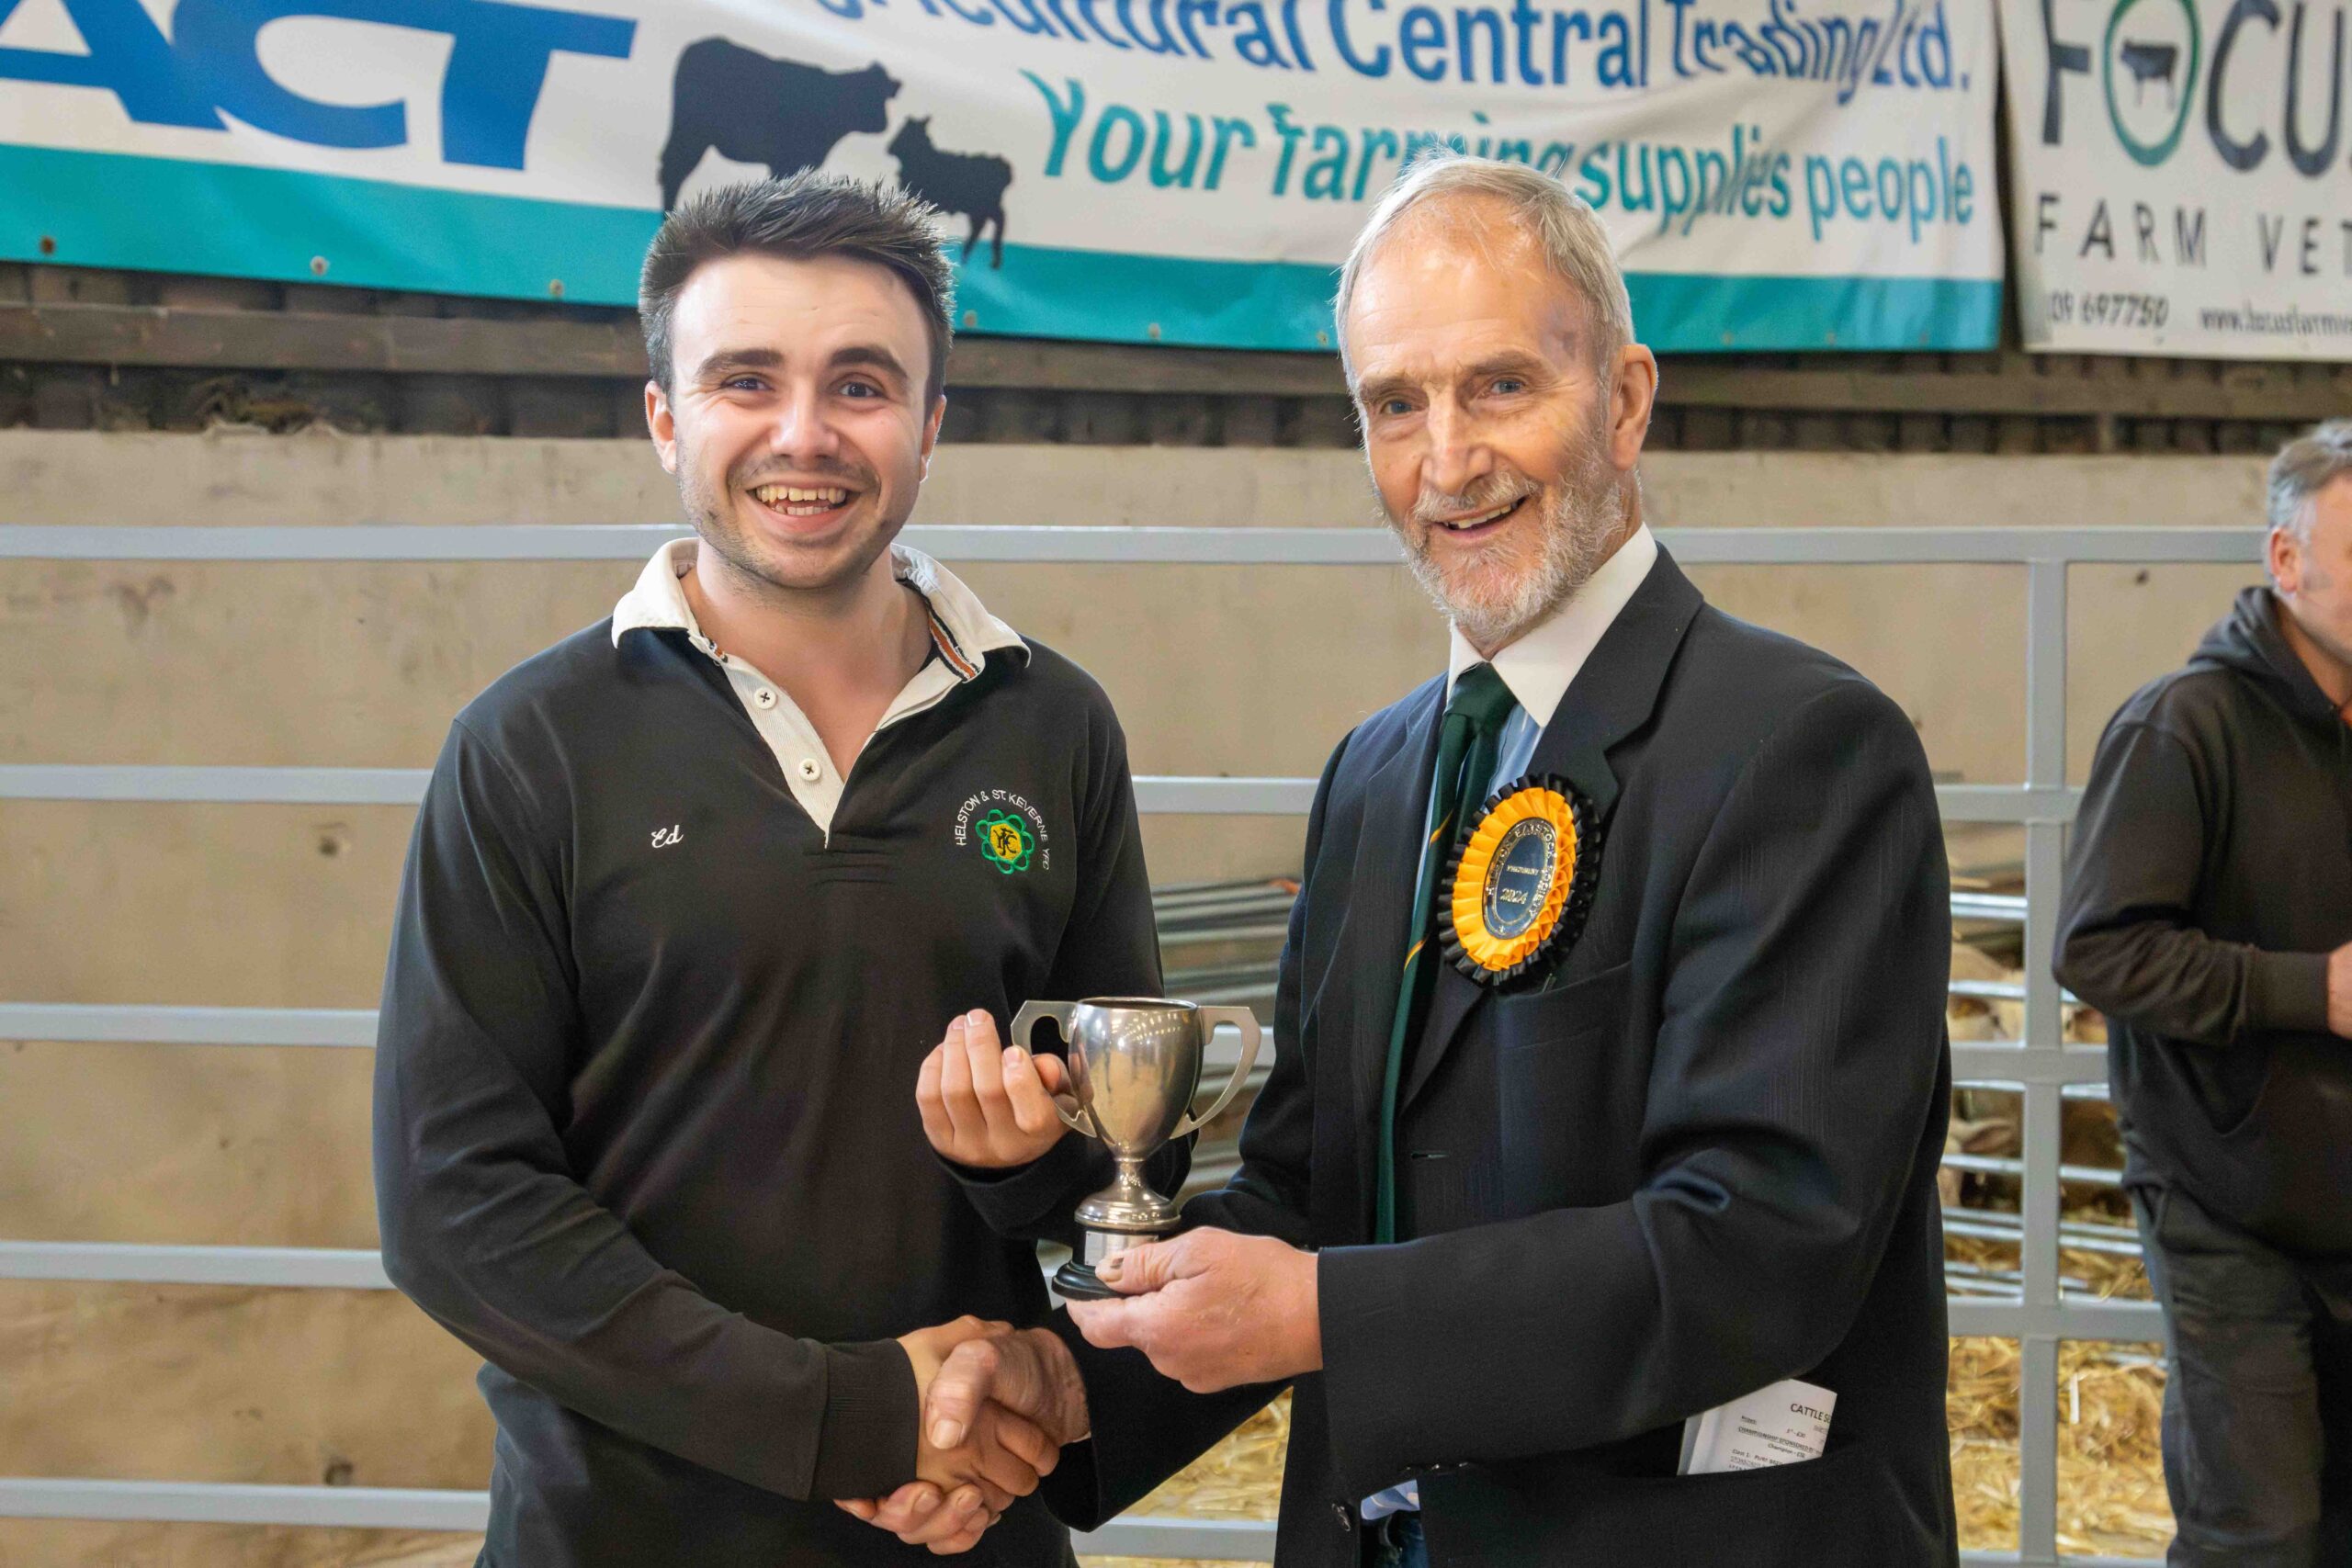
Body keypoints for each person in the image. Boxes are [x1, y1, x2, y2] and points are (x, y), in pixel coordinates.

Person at [851, 152, 1959, 1565]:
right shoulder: (1377, 777)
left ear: (1624, 401)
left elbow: (1757, 1244)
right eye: (1395, 404)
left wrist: (1320, 1313)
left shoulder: (1800, 748)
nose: (1447, 460)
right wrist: (1075, 1385)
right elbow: (1305, 1197)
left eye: (1500, 385)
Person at [370, 172, 1171, 1566]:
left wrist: (1025, 1174)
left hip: (969, 1524)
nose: (805, 433)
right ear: (665, 419)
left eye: (860, 385)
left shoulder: (1055, 726)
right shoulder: (529, 745)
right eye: (746, 380)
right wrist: (850, 1416)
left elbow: (1133, 1166)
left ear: (930, 426)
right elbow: (455, 1204)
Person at [2056, 422, 2352, 1566]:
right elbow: (2101, 948)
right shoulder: (2183, 726)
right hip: (2228, 1205)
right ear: (2286, 560)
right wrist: (2310, 990)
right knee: (2259, 1535)